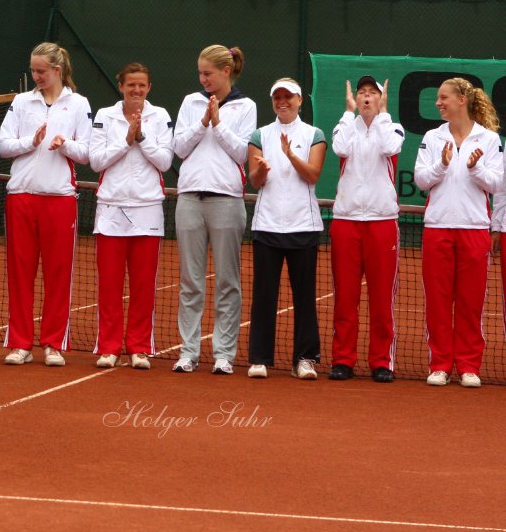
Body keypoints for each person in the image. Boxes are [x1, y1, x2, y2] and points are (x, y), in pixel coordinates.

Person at [0, 42, 92, 367]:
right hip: (21, 197)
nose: (36, 76)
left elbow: (88, 152)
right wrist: (30, 142)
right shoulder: (22, 102)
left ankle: (53, 344)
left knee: (58, 274)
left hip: (60, 200)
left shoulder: (78, 104)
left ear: (57, 70)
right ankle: (20, 344)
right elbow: (3, 145)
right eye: (33, 70)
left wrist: (65, 145)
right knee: (20, 273)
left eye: (41, 71)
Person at [170, 44, 257, 375]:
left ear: (226, 71)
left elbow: (241, 154)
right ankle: (188, 352)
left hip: (227, 200)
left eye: (207, 73)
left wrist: (218, 124)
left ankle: (224, 354)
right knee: (190, 281)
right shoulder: (191, 103)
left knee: (227, 281)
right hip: (190, 199)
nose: (202, 78)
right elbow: (178, 148)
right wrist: (202, 121)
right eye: (199, 73)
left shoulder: (246, 106)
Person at [414, 77, 503, 388]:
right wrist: (441, 164)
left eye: (443, 98)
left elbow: (496, 184)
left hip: (474, 228)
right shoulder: (432, 137)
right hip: (437, 227)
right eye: (438, 98)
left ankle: (468, 366)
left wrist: (475, 167)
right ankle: (439, 365)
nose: (439, 103)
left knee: (471, 301)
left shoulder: (489, 140)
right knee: (438, 301)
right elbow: (421, 180)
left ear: (461, 100)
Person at [88, 63, 173, 370]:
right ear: (120, 86)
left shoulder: (160, 116)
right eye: (131, 85)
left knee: (143, 286)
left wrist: (141, 138)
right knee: (109, 285)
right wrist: (125, 139)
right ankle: (109, 347)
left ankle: (139, 347)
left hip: (148, 210)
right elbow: (96, 161)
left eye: (142, 85)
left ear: (149, 87)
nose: (136, 90)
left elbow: (164, 161)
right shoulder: (103, 116)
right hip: (110, 210)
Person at [245, 78, 327, 379]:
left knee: (305, 297)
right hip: (266, 226)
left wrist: (291, 156)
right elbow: (254, 180)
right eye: (277, 97)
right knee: (264, 295)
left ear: (299, 100)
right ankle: (259, 359)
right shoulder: (260, 135)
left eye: (288, 97)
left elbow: (313, 175)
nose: (283, 102)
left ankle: (305, 359)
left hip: (303, 226)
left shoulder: (314, 134)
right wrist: (262, 171)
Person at [328, 76, 405, 382]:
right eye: (362, 93)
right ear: (355, 99)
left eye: (373, 93)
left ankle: (381, 362)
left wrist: (383, 114)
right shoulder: (344, 126)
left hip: (382, 221)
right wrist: (348, 113)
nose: (367, 97)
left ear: (381, 98)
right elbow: (340, 147)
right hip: (346, 221)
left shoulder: (393, 127)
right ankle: (343, 359)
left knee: (381, 297)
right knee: (345, 296)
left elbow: (389, 146)